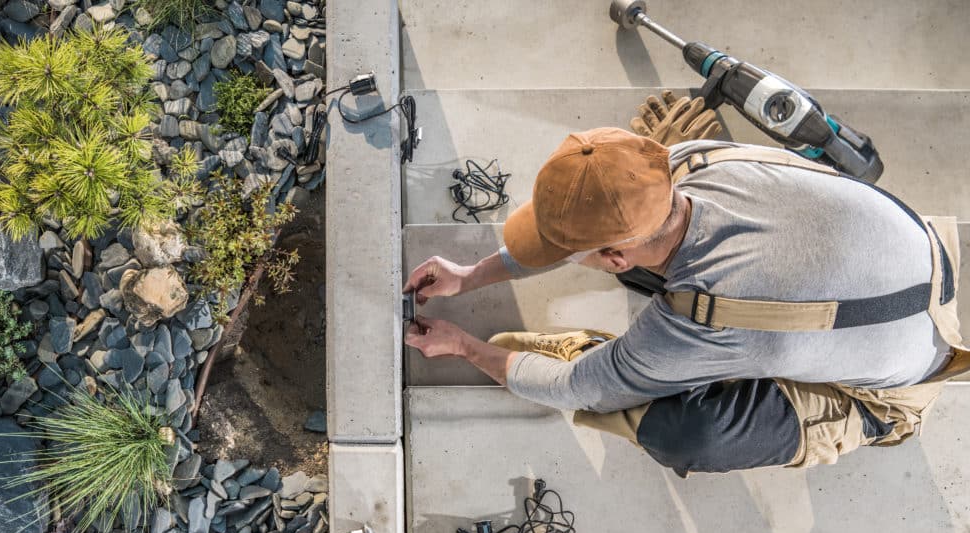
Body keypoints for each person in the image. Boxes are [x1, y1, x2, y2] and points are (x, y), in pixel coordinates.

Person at [404, 93, 968, 477]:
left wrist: (463, 347)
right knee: (639, 188)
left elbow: (576, 388)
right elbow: (597, 233)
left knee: (684, 433)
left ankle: (608, 353)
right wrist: (471, 275)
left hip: (894, 385)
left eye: (580, 254)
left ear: (615, 257)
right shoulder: (691, 162)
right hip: (919, 254)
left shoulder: (702, 317)